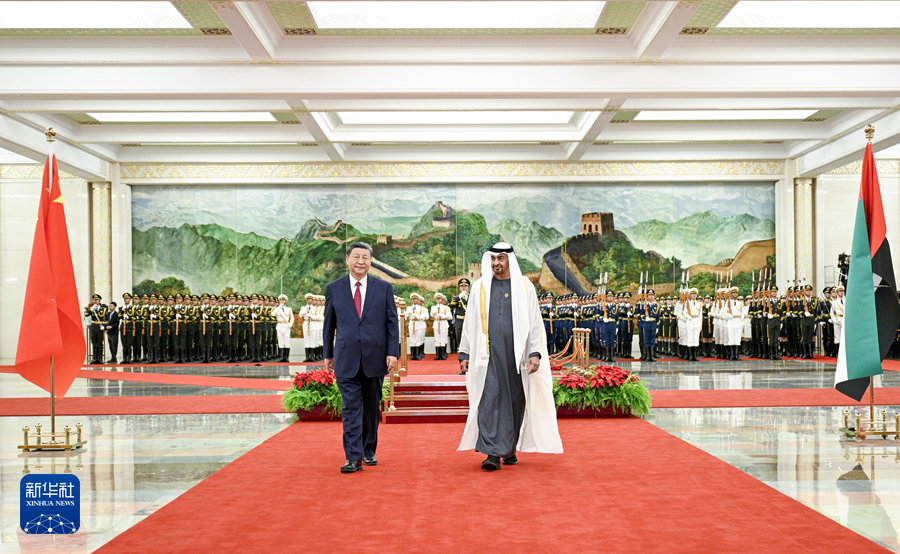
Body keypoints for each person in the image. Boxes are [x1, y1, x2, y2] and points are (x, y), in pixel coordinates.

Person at [457, 242, 562, 470]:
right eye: (493, 259)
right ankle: (493, 453)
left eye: (501, 258)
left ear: (509, 260)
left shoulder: (524, 287)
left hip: (517, 356)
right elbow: (470, 322)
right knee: (489, 398)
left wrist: (534, 352)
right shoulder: (479, 287)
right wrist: (465, 351)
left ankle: (509, 448)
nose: (496, 263)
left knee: (514, 402)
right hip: (487, 354)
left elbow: (534, 322)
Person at [324, 242, 399, 474]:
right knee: (350, 408)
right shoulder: (334, 288)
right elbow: (329, 323)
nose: (360, 261)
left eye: (365, 257)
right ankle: (353, 457)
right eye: (356, 256)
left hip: (375, 357)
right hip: (346, 357)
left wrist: (392, 352)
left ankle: (368, 449)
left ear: (370, 261)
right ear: (347, 259)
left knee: (371, 407)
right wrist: (328, 354)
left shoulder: (383, 288)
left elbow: (392, 322)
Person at [83, 294, 109, 364]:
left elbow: (107, 319)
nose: (96, 301)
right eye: (95, 300)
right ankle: (94, 358)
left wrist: (104, 326)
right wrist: (91, 310)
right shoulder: (92, 308)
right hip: (94, 327)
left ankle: (99, 359)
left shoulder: (104, 308)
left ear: (99, 300)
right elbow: (86, 314)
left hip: (100, 327)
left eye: (97, 300)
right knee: (94, 343)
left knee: (100, 343)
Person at [431, 292, 452, 360]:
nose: (438, 300)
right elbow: (432, 314)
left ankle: (443, 354)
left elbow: (450, 317)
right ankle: (438, 354)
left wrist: (443, 316)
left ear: (442, 299)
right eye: (437, 298)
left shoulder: (446, 308)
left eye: (439, 298)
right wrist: (436, 311)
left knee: (443, 339)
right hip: (437, 323)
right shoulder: (433, 307)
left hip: (443, 323)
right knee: (437, 339)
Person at [275, 294, 294, 363]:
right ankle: (281, 357)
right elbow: (273, 314)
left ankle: (286, 357)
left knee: (286, 341)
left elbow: (292, 318)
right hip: (279, 325)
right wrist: (278, 307)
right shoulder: (277, 309)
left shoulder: (288, 309)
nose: (282, 301)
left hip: (286, 326)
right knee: (280, 341)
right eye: (280, 300)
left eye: (283, 300)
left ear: (285, 301)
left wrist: (290, 324)